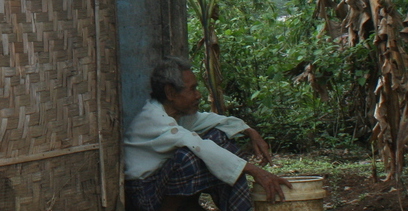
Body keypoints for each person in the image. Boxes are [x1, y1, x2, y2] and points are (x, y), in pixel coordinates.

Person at [123, 56, 291, 211]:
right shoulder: (153, 119)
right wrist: (255, 171)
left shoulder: (177, 116)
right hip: (144, 195)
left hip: (161, 186)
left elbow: (214, 120)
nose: (198, 95)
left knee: (219, 138)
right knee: (189, 157)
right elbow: (198, 145)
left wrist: (251, 132)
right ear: (170, 93)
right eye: (192, 89)